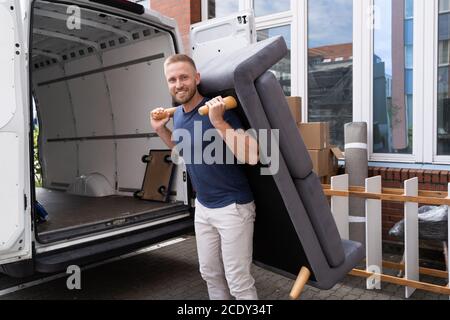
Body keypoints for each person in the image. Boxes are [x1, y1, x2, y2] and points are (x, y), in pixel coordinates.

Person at [150, 54, 259, 300]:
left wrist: (218, 121)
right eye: (172, 79)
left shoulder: (218, 109)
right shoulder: (177, 115)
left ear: (196, 78)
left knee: (238, 281)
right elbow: (181, 152)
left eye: (184, 77)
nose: (179, 84)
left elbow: (252, 156)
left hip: (233, 207)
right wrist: (161, 130)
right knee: (209, 273)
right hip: (203, 207)